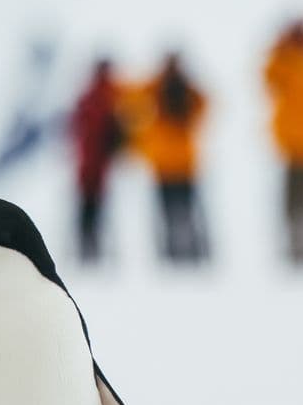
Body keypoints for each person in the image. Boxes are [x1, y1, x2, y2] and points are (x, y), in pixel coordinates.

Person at [127, 53, 210, 265]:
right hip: (179, 164)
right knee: (184, 213)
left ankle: (177, 254)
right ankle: (189, 253)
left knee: (174, 214)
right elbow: (205, 106)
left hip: (169, 163)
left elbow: (134, 98)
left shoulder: (164, 89)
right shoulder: (181, 90)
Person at [263, 19, 303, 266]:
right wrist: (282, 50)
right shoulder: (285, 62)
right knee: (291, 199)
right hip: (290, 143)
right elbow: (269, 80)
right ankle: (295, 244)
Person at [68, 59, 126, 264]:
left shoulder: (93, 96)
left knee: (90, 205)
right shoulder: (106, 97)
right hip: (94, 162)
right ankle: (90, 246)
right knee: (92, 204)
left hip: (92, 161)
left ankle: (89, 246)